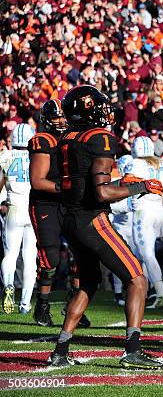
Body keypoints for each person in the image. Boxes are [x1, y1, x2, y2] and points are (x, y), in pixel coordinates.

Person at [50, 85, 163, 369]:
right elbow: (102, 193)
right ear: (87, 108)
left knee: (87, 284)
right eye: (98, 104)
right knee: (138, 279)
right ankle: (132, 350)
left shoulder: (67, 136)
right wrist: (141, 186)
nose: (105, 109)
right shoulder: (99, 136)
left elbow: (87, 185)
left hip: (70, 218)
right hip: (92, 219)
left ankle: (61, 350)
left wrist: (125, 184)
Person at [29, 100, 89, 327]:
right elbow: (37, 181)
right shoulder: (43, 140)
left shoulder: (73, 138)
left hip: (69, 203)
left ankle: (73, 305)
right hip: (46, 203)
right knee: (51, 257)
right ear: (47, 119)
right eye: (57, 117)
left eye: (64, 117)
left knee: (80, 254)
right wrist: (66, 188)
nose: (62, 121)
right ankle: (42, 304)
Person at [124, 137, 163, 309]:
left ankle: (161, 292)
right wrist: (161, 212)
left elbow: (126, 184)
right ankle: (145, 293)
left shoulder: (136, 163)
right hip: (157, 211)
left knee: (145, 254)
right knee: (143, 255)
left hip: (142, 211)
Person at [0, 123, 37, 315]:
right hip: (32, 209)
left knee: (10, 254)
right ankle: (25, 304)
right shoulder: (36, 156)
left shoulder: (5, 156)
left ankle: (8, 284)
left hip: (13, 208)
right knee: (30, 258)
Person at [110, 154, 137, 307]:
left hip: (135, 228)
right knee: (119, 262)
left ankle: (146, 291)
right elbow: (111, 207)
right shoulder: (115, 184)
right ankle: (118, 293)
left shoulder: (137, 182)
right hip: (121, 228)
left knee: (140, 260)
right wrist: (125, 207)